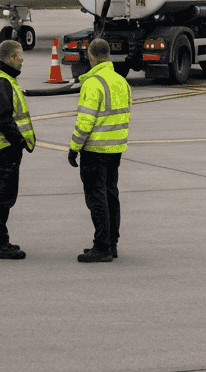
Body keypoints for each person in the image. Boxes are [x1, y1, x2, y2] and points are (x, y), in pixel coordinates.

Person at [68, 37, 131, 263]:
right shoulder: (120, 81)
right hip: (115, 149)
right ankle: (112, 243)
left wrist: (74, 148)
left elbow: (85, 121)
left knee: (97, 199)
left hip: (95, 150)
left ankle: (101, 246)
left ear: (90, 56)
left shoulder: (93, 84)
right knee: (111, 195)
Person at [0, 39, 35, 259]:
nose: (22, 60)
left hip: (1, 147)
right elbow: (3, 121)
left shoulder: (3, 79)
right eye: (19, 55)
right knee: (3, 197)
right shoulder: (2, 83)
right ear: (10, 58)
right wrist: (20, 141)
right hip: (5, 147)